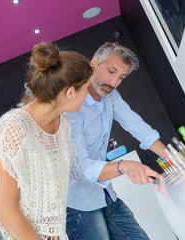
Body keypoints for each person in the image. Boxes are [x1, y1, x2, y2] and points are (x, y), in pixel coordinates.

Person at [65, 42, 167, 240]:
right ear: (94, 63)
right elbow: (81, 167)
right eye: (111, 71)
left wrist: (173, 158)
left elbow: (136, 125)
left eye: (121, 77)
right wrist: (125, 166)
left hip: (104, 193)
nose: (113, 82)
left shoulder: (112, 97)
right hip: (76, 204)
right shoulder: (71, 106)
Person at [0, 42, 93, 240]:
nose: (88, 95)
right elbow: (3, 208)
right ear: (70, 93)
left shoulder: (63, 123)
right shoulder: (14, 128)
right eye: (87, 88)